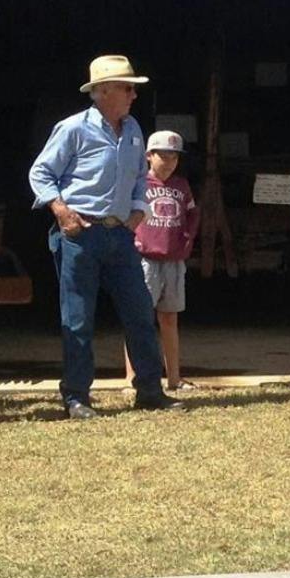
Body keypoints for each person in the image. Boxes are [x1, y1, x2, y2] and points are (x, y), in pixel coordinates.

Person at [28, 55, 182, 419]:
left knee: (140, 312)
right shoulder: (73, 129)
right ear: (102, 92)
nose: (133, 94)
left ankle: (149, 390)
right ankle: (76, 397)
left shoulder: (132, 130)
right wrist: (61, 211)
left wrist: (138, 210)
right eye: (127, 88)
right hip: (81, 235)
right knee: (79, 317)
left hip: (120, 236)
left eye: (133, 88)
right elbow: (40, 173)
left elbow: (139, 179)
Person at [124, 130, 200, 392]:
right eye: (163, 157)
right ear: (148, 156)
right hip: (145, 259)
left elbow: (192, 215)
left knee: (170, 318)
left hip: (173, 259)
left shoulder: (182, 186)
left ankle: (174, 378)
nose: (169, 163)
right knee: (138, 318)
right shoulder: (138, 184)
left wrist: (188, 239)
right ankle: (133, 378)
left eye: (174, 158)